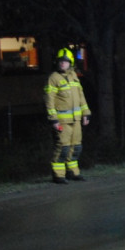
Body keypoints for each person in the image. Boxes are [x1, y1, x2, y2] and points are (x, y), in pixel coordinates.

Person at [45, 47, 91, 183]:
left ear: (70, 62)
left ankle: (73, 172)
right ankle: (58, 175)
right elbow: (49, 100)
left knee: (76, 147)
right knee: (63, 147)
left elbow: (81, 96)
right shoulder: (53, 78)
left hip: (76, 120)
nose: (62, 63)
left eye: (65, 61)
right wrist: (53, 120)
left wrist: (86, 113)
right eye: (60, 61)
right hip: (62, 121)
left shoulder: (73, 76)